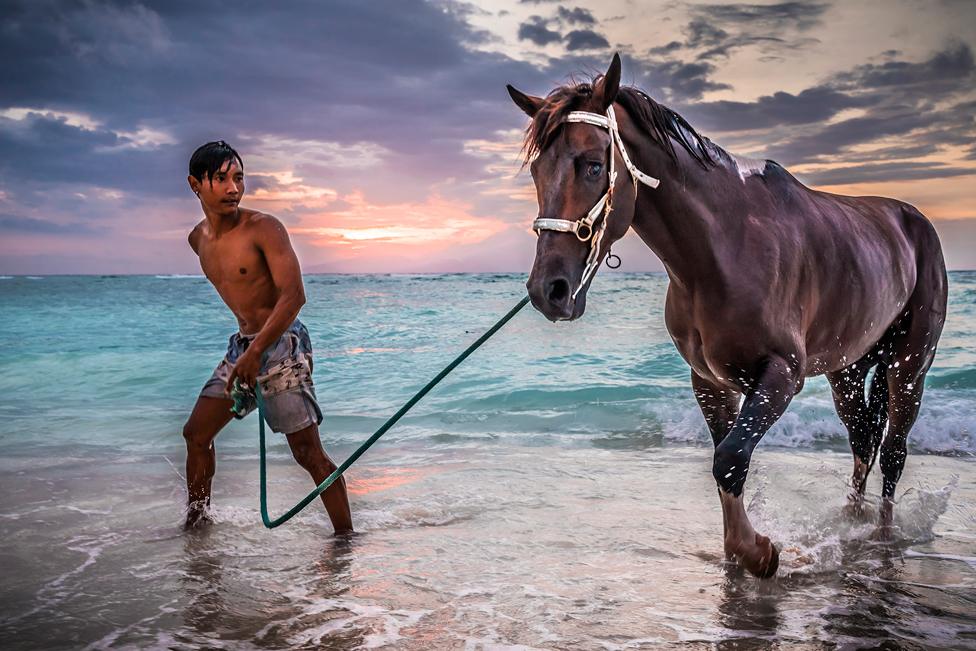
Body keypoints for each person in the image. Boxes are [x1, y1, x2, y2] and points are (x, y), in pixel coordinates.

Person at [181, 140, 352, 534]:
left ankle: (346, 540)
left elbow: (295, 296)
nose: (232, 189)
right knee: (196, 434)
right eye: (220, 179)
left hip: (281, 344)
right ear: (195, 184)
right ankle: (196, 527)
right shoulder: (198, 240)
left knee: (308, 452)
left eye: (238, 178)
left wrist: (258, 352)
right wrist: (248, 351)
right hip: (243, 348)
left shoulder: (265, 228)